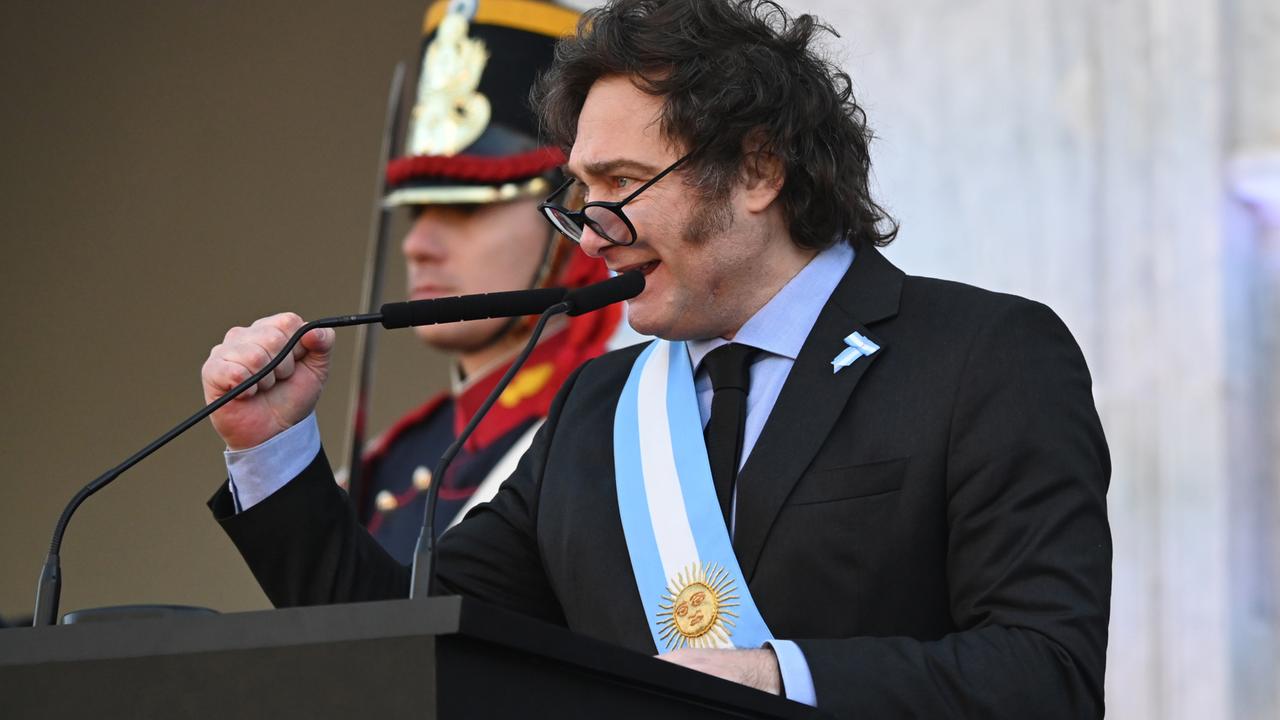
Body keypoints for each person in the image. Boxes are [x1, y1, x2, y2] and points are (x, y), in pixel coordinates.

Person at [203, 1, 1112, 717]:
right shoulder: (599, 407)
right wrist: (272, 449)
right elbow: (408, 642)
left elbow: (1047, 674)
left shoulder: (984, 355)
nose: (593, 233)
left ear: (758, 170)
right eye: (581, 192)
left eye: (624, 185)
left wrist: (776, 678)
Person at [216, 0, 620, 566]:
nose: (416, 244)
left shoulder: (624, 421)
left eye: (465, 208)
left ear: (574, 208)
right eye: (418, 211)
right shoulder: (389, 461)